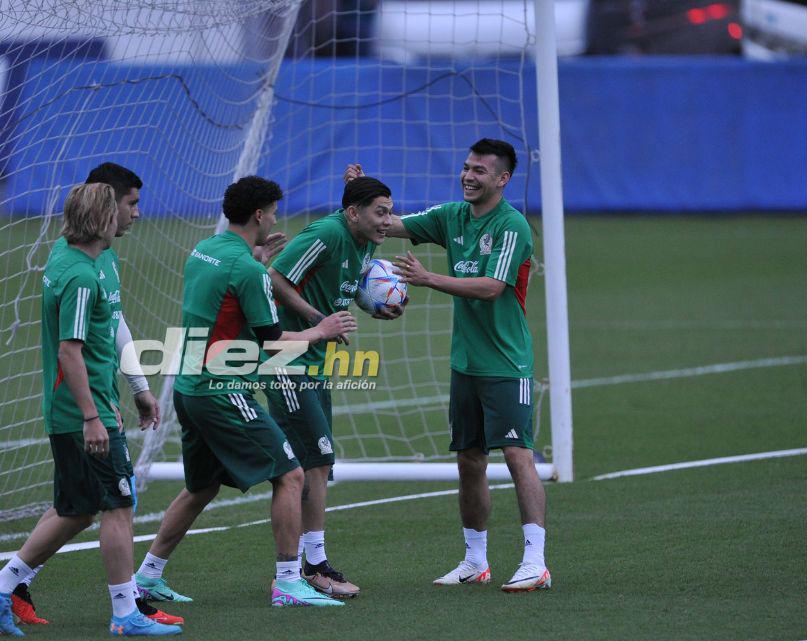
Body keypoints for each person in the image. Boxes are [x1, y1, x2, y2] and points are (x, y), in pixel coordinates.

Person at [133, 175, 357, 607]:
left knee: (200, 487)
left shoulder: (206, 250)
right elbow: (274, 343)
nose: (275, 218)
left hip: (189, 387)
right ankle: (289, 582)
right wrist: (321, 329)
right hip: (223, 391)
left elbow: (226, 290)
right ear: (259, 214)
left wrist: (254, 256)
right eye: (273, 211)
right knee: (291, 474)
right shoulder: (250, 272)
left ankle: (147, 576)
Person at [0, 183, 182, 637]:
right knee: (119, 506)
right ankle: (125, 614)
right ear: (102, 218)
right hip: (83, 413)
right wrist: (93, 416)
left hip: (75, 409)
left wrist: (130, 391)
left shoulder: (73, 258)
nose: (135, 215)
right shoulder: (82, 275)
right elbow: (70, 352)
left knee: (77, 508)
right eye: (128, 207)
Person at [344, 138, 551, 592]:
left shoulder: (512, 226)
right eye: (466, 167)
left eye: (480, 170)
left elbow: (493, 287)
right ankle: (475, 560)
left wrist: (427, 278)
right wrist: (362, 201)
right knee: (469, 461)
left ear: (502, 179)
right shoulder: (450, 216)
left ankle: (535, 561)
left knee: (518, 456)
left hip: (506, 361)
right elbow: (392, 225)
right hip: (466, 362)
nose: (469, 176)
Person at [261, 176, 404, 598]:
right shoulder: (326, 234)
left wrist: (371, 303)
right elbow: (274, 278)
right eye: (380, 212)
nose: (388, 222)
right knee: (313, 463)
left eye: (390, 212)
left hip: (315, 363)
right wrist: (318, 322)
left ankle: (305, 567)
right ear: (353, 213)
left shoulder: (365, 238)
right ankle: (310, 568)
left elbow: (342, 283)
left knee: (313, 465)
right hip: (287, 362)